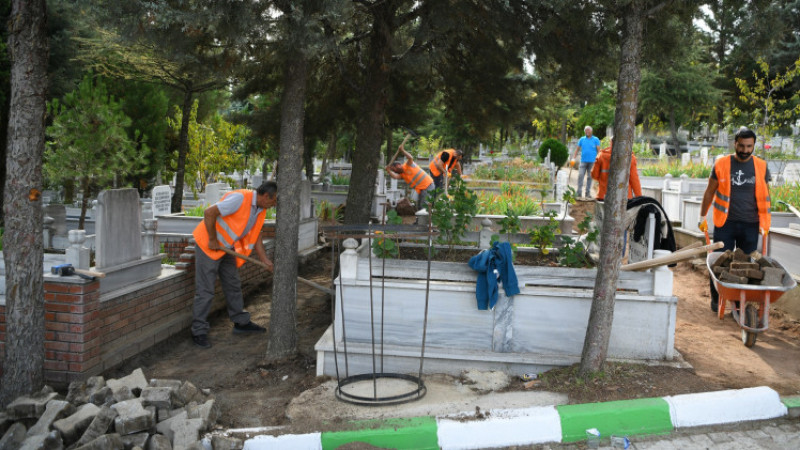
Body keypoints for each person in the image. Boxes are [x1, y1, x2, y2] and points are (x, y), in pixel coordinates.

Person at [191, 181, 279, 348]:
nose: (273, 205)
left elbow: (256, 237)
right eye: (273, 201)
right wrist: (212, 239)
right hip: (208, 246)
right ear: (266, 196)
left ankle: (241, 322)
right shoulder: (240, 199)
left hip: (225, 248)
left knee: (233, 284)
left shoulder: (260, 210)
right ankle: (198, 331)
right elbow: (209, 213)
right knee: (205, 290)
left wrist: (265, 261)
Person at [699, 127, 771, 313]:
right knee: (719, 262)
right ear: (735, 144)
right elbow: (710, 191)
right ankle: (717, 297)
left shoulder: (761, 166)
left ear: (754, 145)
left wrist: (764, 224)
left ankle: (739, 304)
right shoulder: (722, 164)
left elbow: (765, 195)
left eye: (749, 146)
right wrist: (702, 216)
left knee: (746, 266)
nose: (745, 150)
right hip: (726, 223)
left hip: (751, 224)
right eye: (741, 146)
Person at [386, 141, 435, 211]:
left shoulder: (408, 164)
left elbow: (410, 157)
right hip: (422, 189)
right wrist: (389, 171)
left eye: (394, 170)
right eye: (394, 171)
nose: (395, 171)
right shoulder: (402, 174)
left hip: (428, 185)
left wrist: (402, 150)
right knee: (420, 206)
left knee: (424, 206)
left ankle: (425, 221)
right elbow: (395, 177)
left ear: (398, 165)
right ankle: (421, 221)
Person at [570, 126, 601, 198]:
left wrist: (599, 159)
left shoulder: (596, 139)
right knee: (580, 175)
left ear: (591, 131)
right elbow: (577, 149)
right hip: (583, 161)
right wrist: (573, 158)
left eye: (588, 130)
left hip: (592, 162)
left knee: (590, 177)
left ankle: (587, 193)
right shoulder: (582, 139)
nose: (587, 132)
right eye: (586, 131)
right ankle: (579, 192)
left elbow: (599, 151)